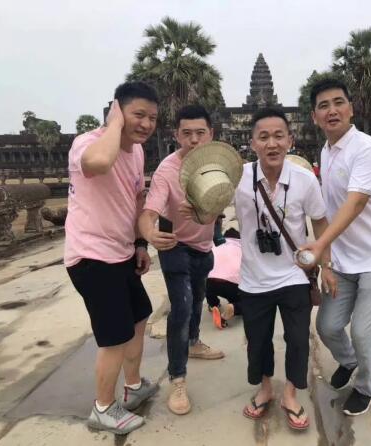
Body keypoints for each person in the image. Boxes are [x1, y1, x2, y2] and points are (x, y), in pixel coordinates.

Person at [298, 78, 371, 416]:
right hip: (345, 261)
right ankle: (349, 361)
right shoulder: (326, 152)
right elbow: (326, 211)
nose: (332, 111)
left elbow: (356, 202)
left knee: (363, 331)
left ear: (351, 109)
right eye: (323, 106)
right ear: (314, 116)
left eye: (338, 102)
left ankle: (365, 386)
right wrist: (327, 263)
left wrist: (319, 245)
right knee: (327, 326)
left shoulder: (367, 148)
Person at [64, 81, 159, 434]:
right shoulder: (88, 143)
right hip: (91, 257)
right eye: (138, 114)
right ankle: (103, 408)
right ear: (117, 110)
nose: (146, 124)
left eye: (152, 118)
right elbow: (101, 162)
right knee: (114, 335)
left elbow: (135, 201)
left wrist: (140, 244)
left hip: (120, 253)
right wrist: (114, 124)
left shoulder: (137, 152)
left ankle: (132, 387)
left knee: (139, 315)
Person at [235, 108, 330, 431]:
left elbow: (320, 222)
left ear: (290, 140)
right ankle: (265, 388)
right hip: (253, 277)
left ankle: (290, 393)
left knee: (298, 339)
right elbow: (208, 209)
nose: (272, 143)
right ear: (252, 143)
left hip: (294, 275)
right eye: (263, 137)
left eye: (279, 136)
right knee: (258, 340)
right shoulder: (238, 177)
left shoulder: (304, 179)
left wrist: (326, 264)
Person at [138, 105, 224, 416]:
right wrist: (150, 234)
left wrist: (204, 212)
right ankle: (177, 378)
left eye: (200, 133)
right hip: (174, 243)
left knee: (198, 296)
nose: (194, 140)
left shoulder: (219, 165)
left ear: (210, 134)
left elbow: (221, 206)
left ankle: (194, 341)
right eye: (186, 134)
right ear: (176, 135)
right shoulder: (167, 170)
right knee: (182, 306)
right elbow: (149, 211)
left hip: (202, 244)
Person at [206, 228, 243, 329]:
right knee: (248, 303)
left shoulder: (215, 245)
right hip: (231, 284)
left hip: (210, 281)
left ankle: (213, 304)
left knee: (207, 284)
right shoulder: (242, 247)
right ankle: (234, 307)